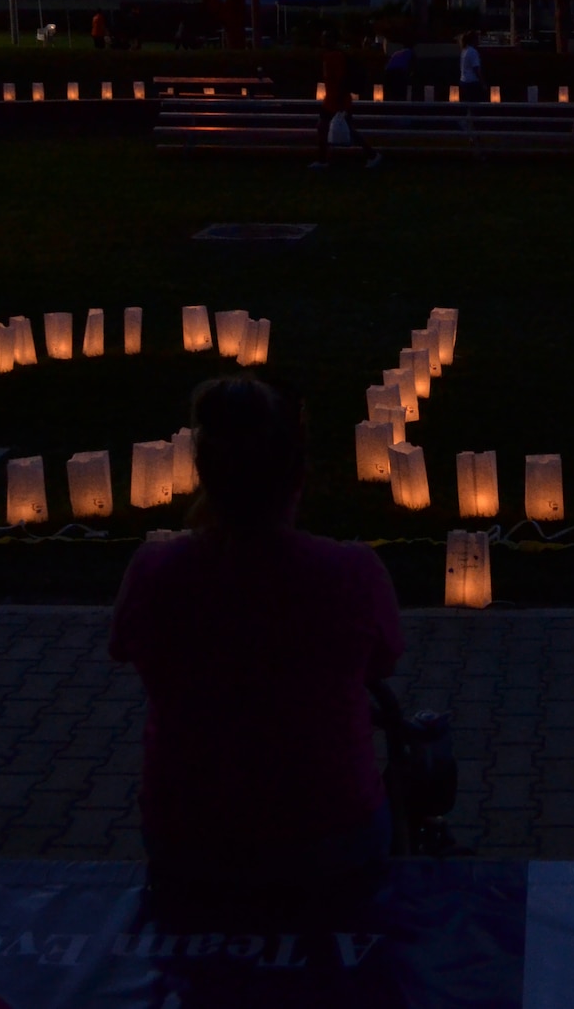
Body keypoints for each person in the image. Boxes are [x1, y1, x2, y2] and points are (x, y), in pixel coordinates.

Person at [111, 378, 403, 917]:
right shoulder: (352, 573)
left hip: (187, 836)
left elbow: (123, 646)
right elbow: (382, 660)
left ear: (203, 474)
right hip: (330, 834)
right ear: (299, 478)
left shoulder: (155, 571)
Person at [313, 51, 383, 170]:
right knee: (341, 129)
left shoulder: (334, 56)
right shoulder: (335, 56)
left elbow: (339, 79)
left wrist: (339, 99)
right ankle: (372, 155)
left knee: (326, 128)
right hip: (336, 99)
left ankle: (323, 159)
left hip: (336, 100)